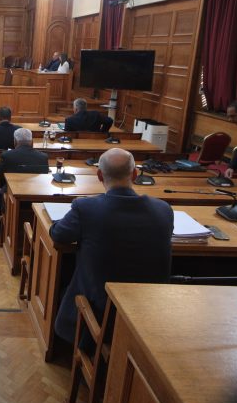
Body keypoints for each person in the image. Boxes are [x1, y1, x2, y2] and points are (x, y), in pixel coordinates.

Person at [50, 148, 173, 348]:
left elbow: (59, 234)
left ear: (99, 175)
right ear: (135, 174)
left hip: (103, 316)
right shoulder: (164, 209)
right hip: (149, 314)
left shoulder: (86, 208)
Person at [0, 127, 49, 237]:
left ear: (15, 141)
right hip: (37, 199)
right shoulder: (43, 157)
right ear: (31, 141)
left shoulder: (8, 155)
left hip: (11, 198)